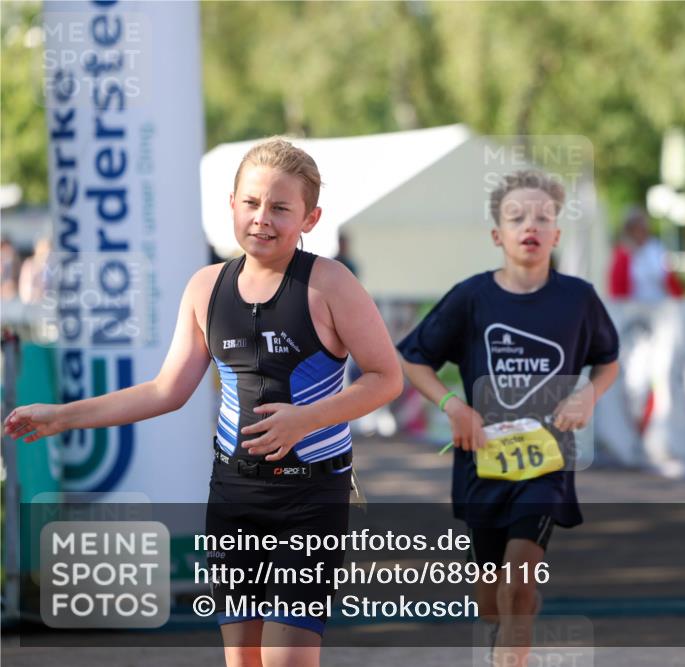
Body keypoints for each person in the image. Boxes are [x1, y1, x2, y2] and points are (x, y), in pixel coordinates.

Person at [3, 138, 403, 667]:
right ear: (231, 205)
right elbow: (165, 390)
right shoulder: (206, 288)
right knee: (244, 661)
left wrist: (306, 420)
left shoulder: (330, 284)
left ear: (310, 218)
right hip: (234, 494)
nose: (263, 218)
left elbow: (386, 378)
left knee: (286, 662)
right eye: (251, 203)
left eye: (281, 208)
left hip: (311, 497)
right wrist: (62, 417)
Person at [396, 170, 620, 667]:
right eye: (517, 216)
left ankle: (516, 631)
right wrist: (452, 406)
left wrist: (589, 394)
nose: (530, 225)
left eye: (543, 216)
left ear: (557, 234)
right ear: (497, 234)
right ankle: (516, 613)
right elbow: (413, 359)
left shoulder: (578, 299)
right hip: (483, 464)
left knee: (520, 580)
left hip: (546, 460)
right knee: (489, 597)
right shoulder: (472, 298)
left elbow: (608, 361)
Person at [608, 206, 684, 301]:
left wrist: (679, 300)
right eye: (638, 228)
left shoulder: (656, 248)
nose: (642, 232)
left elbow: (670, 279)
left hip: (660, 305)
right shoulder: (623, 254)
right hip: (634, 309)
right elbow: (617, 289)